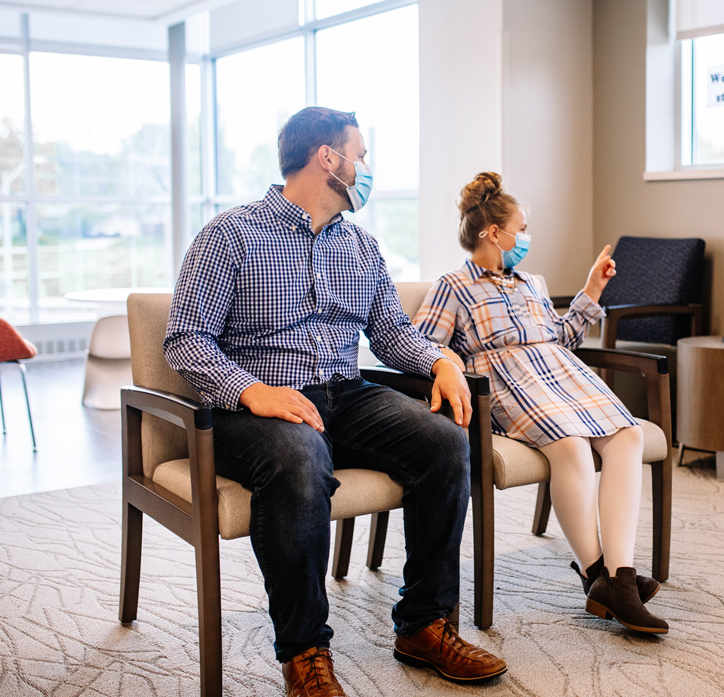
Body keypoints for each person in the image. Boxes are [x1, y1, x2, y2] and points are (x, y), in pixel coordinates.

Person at [164, 108, 507, 696]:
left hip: (343, 394)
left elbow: (393, 334)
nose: (365, 167)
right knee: (300, 460)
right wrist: (252, 391)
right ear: (329, 158)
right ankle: (304, 653)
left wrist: (441, 362)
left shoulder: (361, 247)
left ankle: (423, 626)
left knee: (444, 443)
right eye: (361, 154)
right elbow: (185, 339)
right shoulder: (230, 234)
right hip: (254, 407)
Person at [414, 172, 668, 635]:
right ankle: (597, 574)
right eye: (522, 228)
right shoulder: (452, 285)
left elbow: (562, 338)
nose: (526, 237)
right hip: (507, 380)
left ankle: (619, 577)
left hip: (562, 373)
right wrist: (450, 363)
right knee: (570, 446)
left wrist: (592, 290)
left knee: (628, 435)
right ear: (495, 233)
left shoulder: (531, 282)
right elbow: (423, 345)